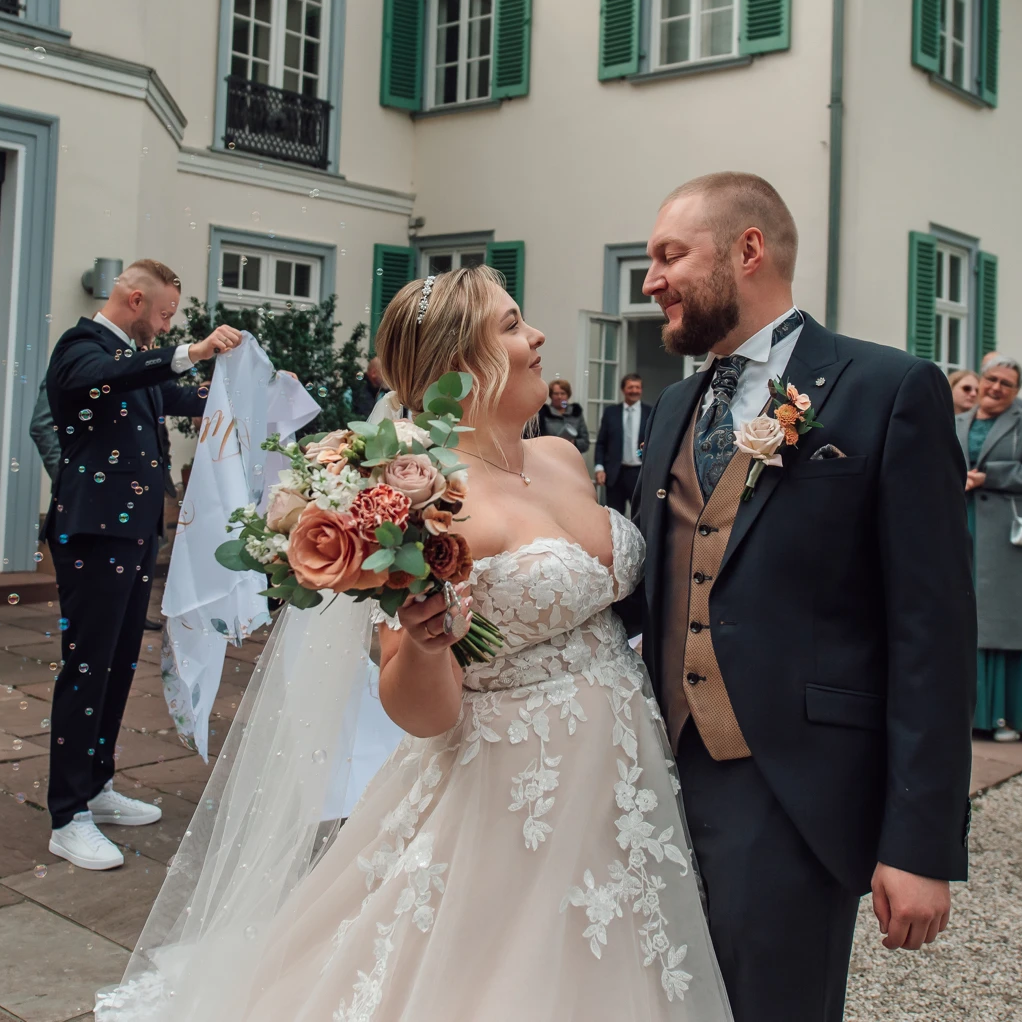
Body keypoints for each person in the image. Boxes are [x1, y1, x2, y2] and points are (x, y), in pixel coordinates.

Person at [99, 262, 738, 1021]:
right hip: (508, 790)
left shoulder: (563, 460)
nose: (535, 337)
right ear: (458, 361)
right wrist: (429, 641)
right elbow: (421, 711)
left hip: (624, 772)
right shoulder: (418, 500)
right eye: (510, 325)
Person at [630, 173, 971, 1021]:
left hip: (793, 790)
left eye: (670, 254)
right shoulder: (674, 405)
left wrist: (919, 843)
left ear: (748, 251)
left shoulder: (888, 389)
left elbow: (932, 630)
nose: (650, 280)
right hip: (652, 777)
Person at [42, 259, 238, 872]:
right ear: (133, 299)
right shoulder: (83, 348)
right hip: (92, 532)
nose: (168, 324)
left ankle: (96, 786)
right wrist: (192, 349)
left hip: (130, 532)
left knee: (118, 663)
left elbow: (183, 396)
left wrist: (251, 388)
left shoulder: (134, 359)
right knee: (87, 666)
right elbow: (113, 377)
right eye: (165, 313)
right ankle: (67, 815)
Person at [958, 354, 1022, 741]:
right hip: (961, 523)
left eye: (1007, 384)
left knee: (1008, 621)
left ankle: (1006, 714)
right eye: (992, 379)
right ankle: (966, 712)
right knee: (965, 613)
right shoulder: (957, 421)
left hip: (1007, 532)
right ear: (981, 380)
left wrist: (988, 477)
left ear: (1016, 392)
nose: (996, 388)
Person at [592, 372, 648, 513]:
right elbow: (601, 443)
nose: (634, 391)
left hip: (640, 473)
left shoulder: (650, 412)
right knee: (615, 517)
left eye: (637, 387)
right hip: (615, 473)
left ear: (641, 390)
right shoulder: (611, 412)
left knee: (640, 515)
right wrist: (599, 468)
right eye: (630, 387)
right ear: (623, 390)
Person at [524, 377, 591, 451]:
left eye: (563, 393)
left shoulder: (576, 413)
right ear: (551, 396)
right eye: (556, 394)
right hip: (549, 456)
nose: (559, 397)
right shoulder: (543, 413)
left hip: (571, 457)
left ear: (568, 395)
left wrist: (574, 443)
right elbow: (533, 440)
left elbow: (585, 442)